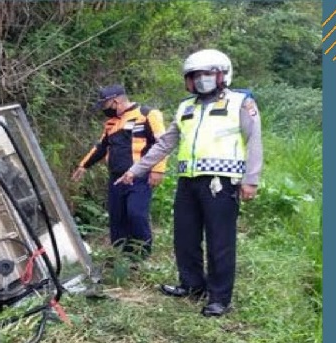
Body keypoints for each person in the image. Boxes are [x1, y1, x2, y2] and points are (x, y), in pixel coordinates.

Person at [115, 49, 263, 317]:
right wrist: (136, 170)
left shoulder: (241, 102)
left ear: (221, 75)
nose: (201, 80)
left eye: (207, 74)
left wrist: (251, 180)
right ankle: (192, 285)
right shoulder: (186, 107)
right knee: (185, 236)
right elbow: (165, 144)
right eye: (195, 76)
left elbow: (254, 141)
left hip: (222, 182)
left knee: (220, 241)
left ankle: (219, 298)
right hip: (188, 183)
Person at [71, 84, 166, 259]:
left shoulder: (147, 115)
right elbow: (101, 147)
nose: (103, 111)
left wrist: (158, 170)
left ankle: (142, 254)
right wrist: (83, 166)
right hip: (116, 178)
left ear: (115, 101)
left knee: (135, 213)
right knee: (117, 217)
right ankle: (122, 255)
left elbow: (162, 144)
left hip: (139, 176)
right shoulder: (111, 123)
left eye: (104, 106)